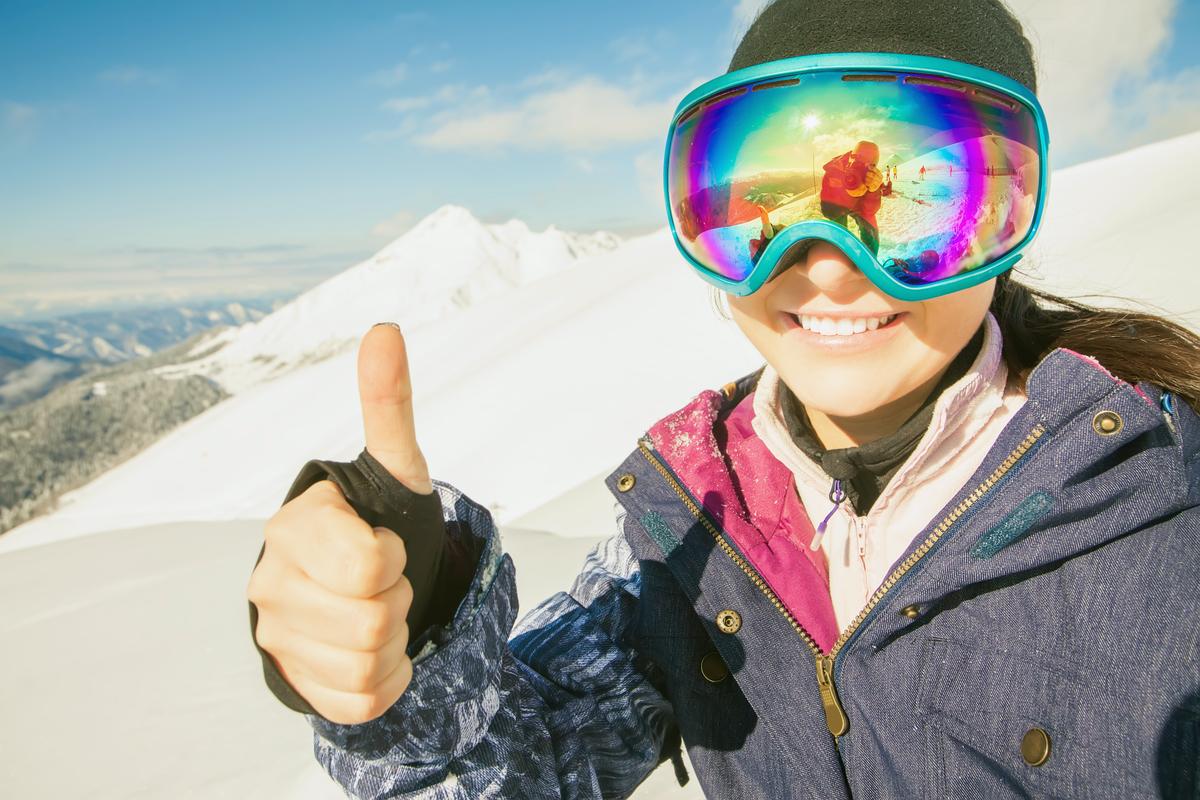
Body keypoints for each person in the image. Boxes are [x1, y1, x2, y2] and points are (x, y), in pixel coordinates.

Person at [245, 1, 1200, 798]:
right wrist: (417, 633)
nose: (824, 267)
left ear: (1006, 224)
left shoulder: (1165, 518)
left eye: (929, 204)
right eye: (766, 211)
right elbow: (524, 771)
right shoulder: (691, 536)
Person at [820, 140, 885, 255]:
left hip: (859, 208)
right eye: (855, 156)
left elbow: (870, 211)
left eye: (868, 163)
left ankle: (869, 260)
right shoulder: (834, 169)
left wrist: (873, 190)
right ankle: (840, 252)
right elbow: (828, 210)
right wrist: (849, 195)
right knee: (838, 230)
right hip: (837, 207)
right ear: (850, 154)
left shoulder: (871, 177)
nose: (857, 163)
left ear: (874, 166)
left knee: (872, 233)